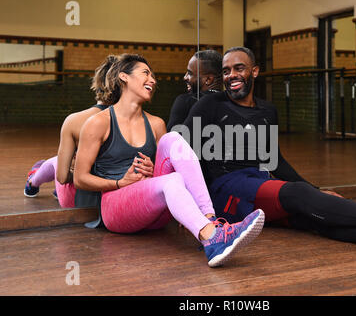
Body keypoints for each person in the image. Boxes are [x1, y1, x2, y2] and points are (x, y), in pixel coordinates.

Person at [181, 46, 356, 260]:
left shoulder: (267, 111)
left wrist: (315, 190)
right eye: (226, 71)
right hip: (227, 191)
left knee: (308, 216)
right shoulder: (210, 104)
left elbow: (276, 162)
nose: (231, 75)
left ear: (255, 71)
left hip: (259, 183)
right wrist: (196, 211)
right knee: (298, 195)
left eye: (239, 68)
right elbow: (184, 151)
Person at [73, 53, 265, 267]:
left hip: (154, 213)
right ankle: (212, 237)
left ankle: (210, 221)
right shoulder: (98, 123)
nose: (153, 80)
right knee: (172, 180)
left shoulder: (156, 124)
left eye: (153, 75)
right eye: (145, 73)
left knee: (174, 138)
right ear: (124, 77)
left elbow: (160, 174)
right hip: (115, 208)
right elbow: (80, 178)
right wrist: (120, 182)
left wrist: (151, 168)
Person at [23, 55, 118, 208]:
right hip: (117, 197)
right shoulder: (143, 122)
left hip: (77, 199)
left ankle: (33, 180)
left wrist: (78, 171)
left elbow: (62, 177)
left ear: (97, 84)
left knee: (58, 162)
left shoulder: (75, 120)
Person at [166, 49, 223, 131]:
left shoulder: (185, 101)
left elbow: (171, 142)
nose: (185, 77)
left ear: (208, 80)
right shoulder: (233, 104)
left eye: (190, 73)